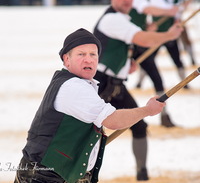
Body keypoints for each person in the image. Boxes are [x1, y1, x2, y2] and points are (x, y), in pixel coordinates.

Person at [14, 28, 166, 183]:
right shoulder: (74, 87)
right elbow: (113, 120)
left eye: (93, 54)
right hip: (44, 177)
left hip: (58, 174)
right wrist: (147, 110)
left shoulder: (77, 83)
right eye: (81, 54)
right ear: (66, 59)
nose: (88, 59)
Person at [93, 0, 183, 180]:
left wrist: (127, 63)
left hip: (117, 85)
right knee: (87, 131)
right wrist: (169, 35)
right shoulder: (111, 19)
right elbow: (144, 39)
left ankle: (142, 174)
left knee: (139, 125)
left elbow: (125, 44)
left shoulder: (124, 19)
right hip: (99, 85)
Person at [129, 0, 182, 127]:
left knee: (157, 79)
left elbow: (142, 14)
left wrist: (147, 25)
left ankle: (164, 117)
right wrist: (170, 11)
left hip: (139, 43)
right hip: (128, 44)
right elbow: (148, 9)